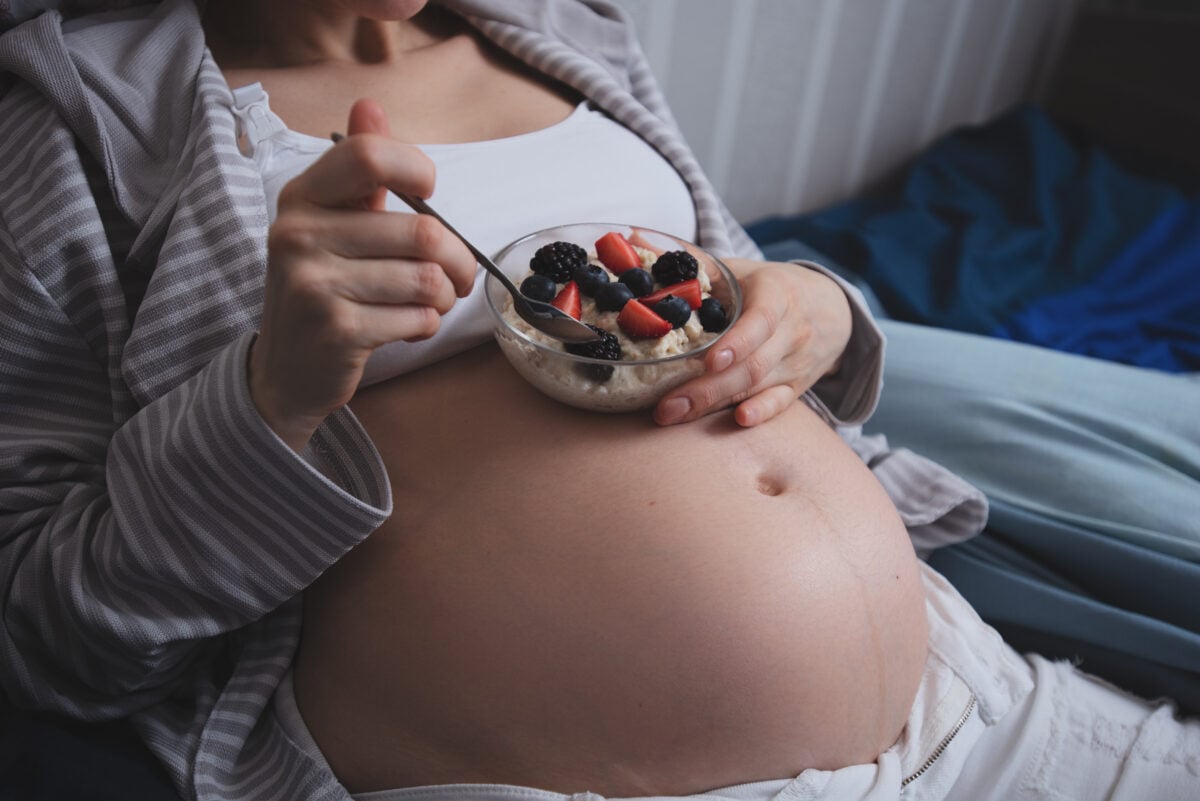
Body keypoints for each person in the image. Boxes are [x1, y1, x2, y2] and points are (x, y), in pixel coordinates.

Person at [0, 2, 1196, 801]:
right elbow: (56, 646)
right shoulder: (71, 119)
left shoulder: (567, 25)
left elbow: (739, 288)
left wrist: (819, 312)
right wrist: (269, 398)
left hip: (960, 696)